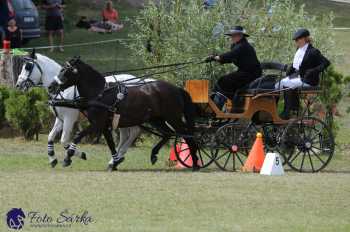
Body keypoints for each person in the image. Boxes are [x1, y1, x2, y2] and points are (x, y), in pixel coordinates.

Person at [275, 28, 330, 119]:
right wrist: (290, 68)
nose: (296, 41)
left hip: (309, 80)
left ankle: (288, 111)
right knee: (277, 85)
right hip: (297, 77)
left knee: (286, 84)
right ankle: (274, 110)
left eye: (298, 39)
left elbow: (326, 62)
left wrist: (314, 70)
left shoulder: (313, 51)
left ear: (305, 39)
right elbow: (297, 65)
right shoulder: (299, 50)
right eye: (295, 40)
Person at [206, 26, 262, 110]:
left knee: (224, 80)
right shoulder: (236, 45)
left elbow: (231, 54)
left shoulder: (243, 46)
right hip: (244, 72)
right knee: (223, 81)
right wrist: (216, 58)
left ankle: (233, 104)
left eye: (234, 35)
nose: (232, 37)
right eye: (231, 35)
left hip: (252, 74)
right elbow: (231, 58)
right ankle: (225, 104)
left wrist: (217, 57)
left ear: (240, 35)